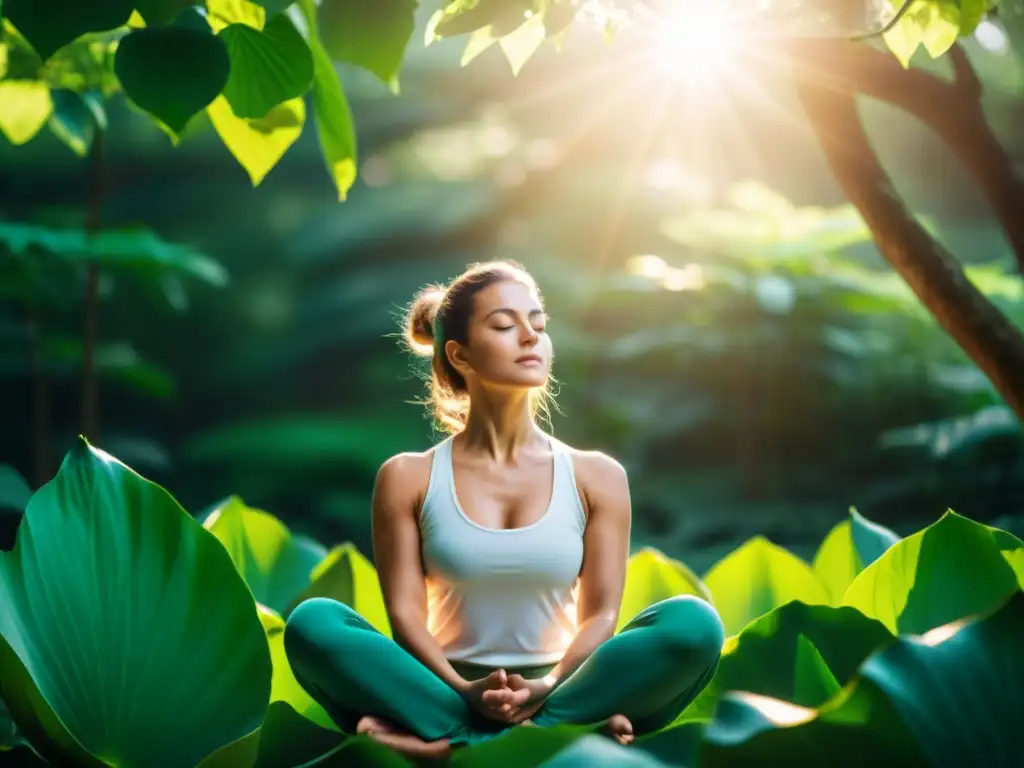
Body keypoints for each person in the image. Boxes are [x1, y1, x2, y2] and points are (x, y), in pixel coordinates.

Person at [284, 261, 725, 759]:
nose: (529, 337)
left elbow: (601, 614)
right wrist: (462, 690)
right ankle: (549, 739)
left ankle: (451, 748)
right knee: (313, 624)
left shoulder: (597, 476)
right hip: (441, 689)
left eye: (538, 324)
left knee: (695, 624)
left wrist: (549, 686)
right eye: (503, 325)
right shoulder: (407, 477)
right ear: (460, 355)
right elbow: (405, 615)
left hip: (563, 687)